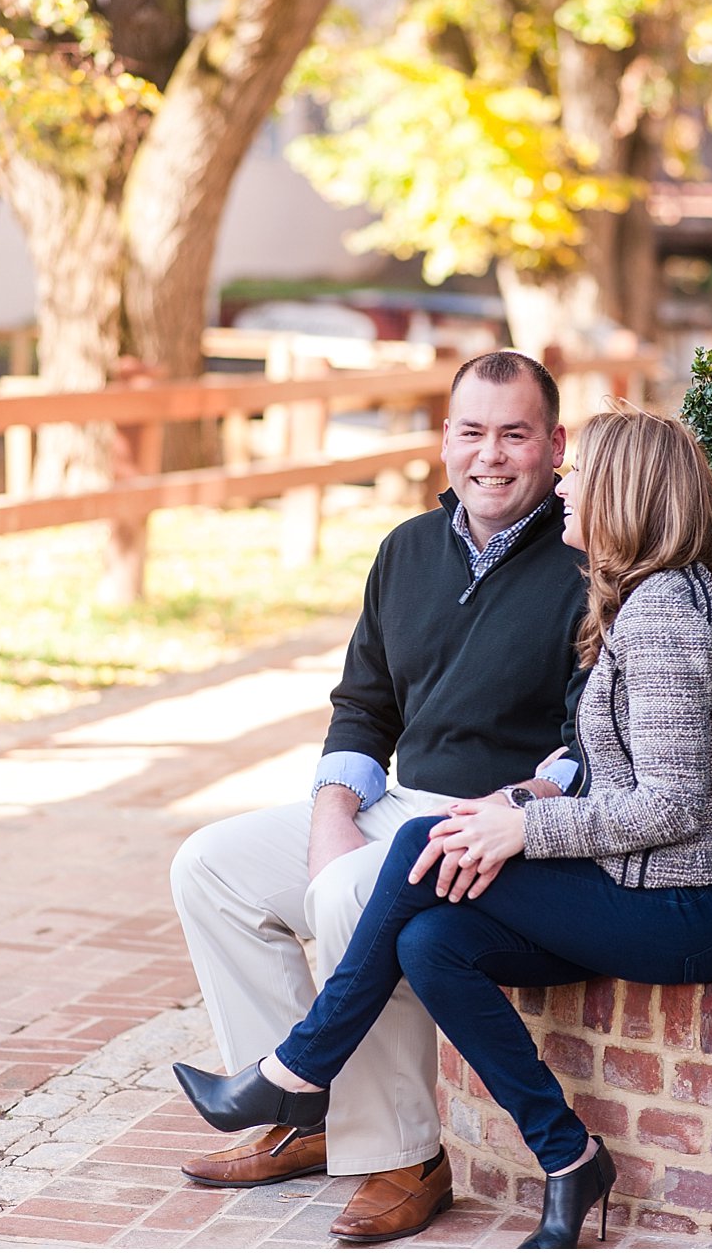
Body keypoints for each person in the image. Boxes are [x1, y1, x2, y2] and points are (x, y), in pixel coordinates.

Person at [172, 402, 712, 1249]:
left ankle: (301, 1069)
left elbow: (672, 807)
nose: (567, 488)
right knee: (433, 945)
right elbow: (622, 779)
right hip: (651, 886)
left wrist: (522, 829)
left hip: (697, 907)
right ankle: (569, 1159)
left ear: (627, 492)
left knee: (425, 846)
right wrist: (520, 808)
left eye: (582, 474)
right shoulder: (648, 598)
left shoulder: (664, 616)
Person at [170, 350, 589, 1242]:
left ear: (555, 445)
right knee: (210, 866)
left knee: (357, 894)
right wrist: (333, 817)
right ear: (444, 439)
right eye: (471, 431)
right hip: (394, 801)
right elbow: (364, 705)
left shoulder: (587, 562)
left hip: (496, 826)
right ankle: (297, 1118)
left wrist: (510, 811)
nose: (491, 454)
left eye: (515, 434)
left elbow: (586, 744)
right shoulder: (405, 550)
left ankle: (404, 1155)